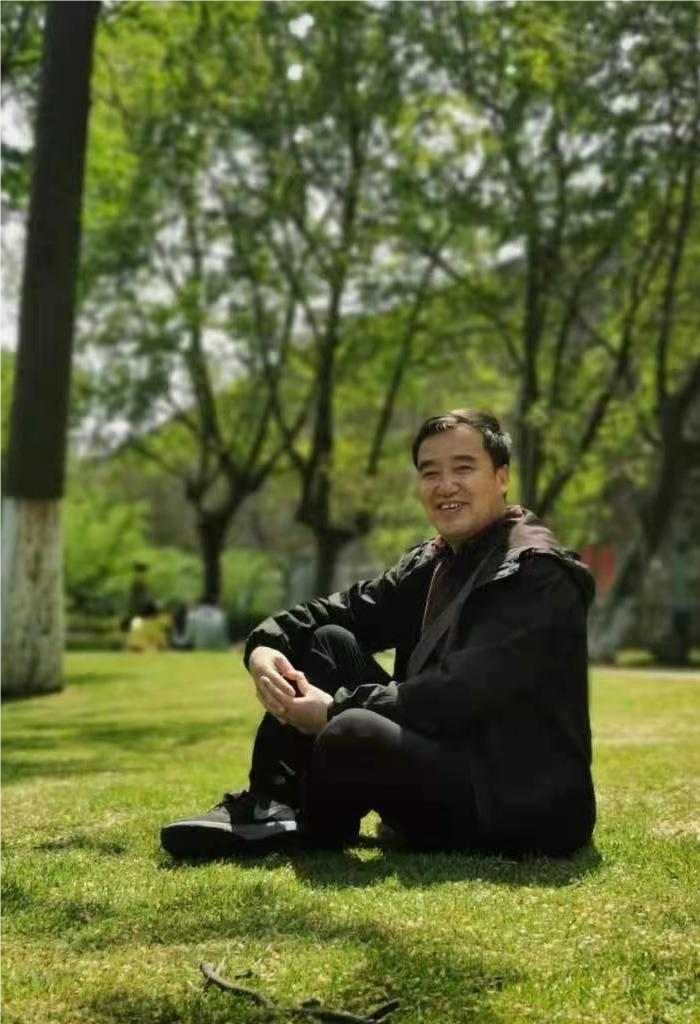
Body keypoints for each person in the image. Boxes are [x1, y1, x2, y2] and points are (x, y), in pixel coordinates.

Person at [161, 409, 596, 860]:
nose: (445, 485)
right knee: (329, 641)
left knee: (352, 730)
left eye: (464, 468)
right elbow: (346, 610)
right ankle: (271, 805)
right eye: (430, 472)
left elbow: (460, 693)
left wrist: (333, 709)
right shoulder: (436, 562)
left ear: (501, 477)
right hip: (445, 757)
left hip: (519, 800)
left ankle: (309, 826)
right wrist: (264, 645)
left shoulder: (536, 573)